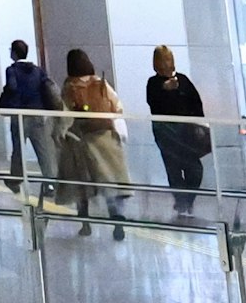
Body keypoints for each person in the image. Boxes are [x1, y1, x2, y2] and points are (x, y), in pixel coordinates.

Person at [55, 47, 128, 238]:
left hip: (81, 140)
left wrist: (60, 134)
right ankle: (117, 217)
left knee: (82, 186)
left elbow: (65, 116)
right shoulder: (101, 83)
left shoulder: (70, 87)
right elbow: (117, 107)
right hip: (106, 137)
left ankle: (85, 223)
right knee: (110, 181)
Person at [143, 44, 210, 220]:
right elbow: (154, 104)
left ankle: (188, 199)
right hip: (166, 134)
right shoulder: (153, 84)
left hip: (187, 134)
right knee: (173, 169)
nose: (166, 64)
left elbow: (196, 104)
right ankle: (181, 202)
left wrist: (201, 125)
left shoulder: (184, 81)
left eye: (168, 59)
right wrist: (165, 90)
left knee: (195, 169)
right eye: (162, 60)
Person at [0, 39, 53, 191]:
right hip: (36, 114)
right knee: (42, 149)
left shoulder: (12, 70)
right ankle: (49, 182)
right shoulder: (38, 70)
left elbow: (12, 87)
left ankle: (15, 180)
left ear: (14, 53)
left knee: (18, 149)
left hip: (20, 115)